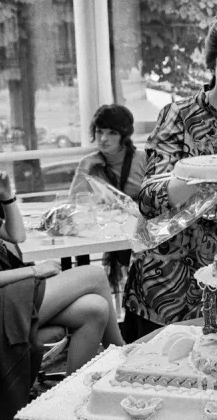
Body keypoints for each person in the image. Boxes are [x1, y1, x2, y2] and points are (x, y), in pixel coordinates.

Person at [122, 10, 217, 342]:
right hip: (165, 286)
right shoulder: (179, 114)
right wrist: (209, 173)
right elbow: (149, 198)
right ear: (213, 61)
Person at [0, 123, 124, 418]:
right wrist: (33, 273)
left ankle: (70, 404)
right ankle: (124, 360)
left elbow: (16, 236)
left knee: (96, 309)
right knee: (95, 275)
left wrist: (6, 196)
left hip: (0, 298)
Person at [69, 104, 147, 296]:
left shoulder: (142, 159)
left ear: (124, 135)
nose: (103, 139)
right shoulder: (91, 164)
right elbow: (75, 204)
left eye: (112, 133)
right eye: (99, 131)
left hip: (143, 237)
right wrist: (85, 167)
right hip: (110, 235)